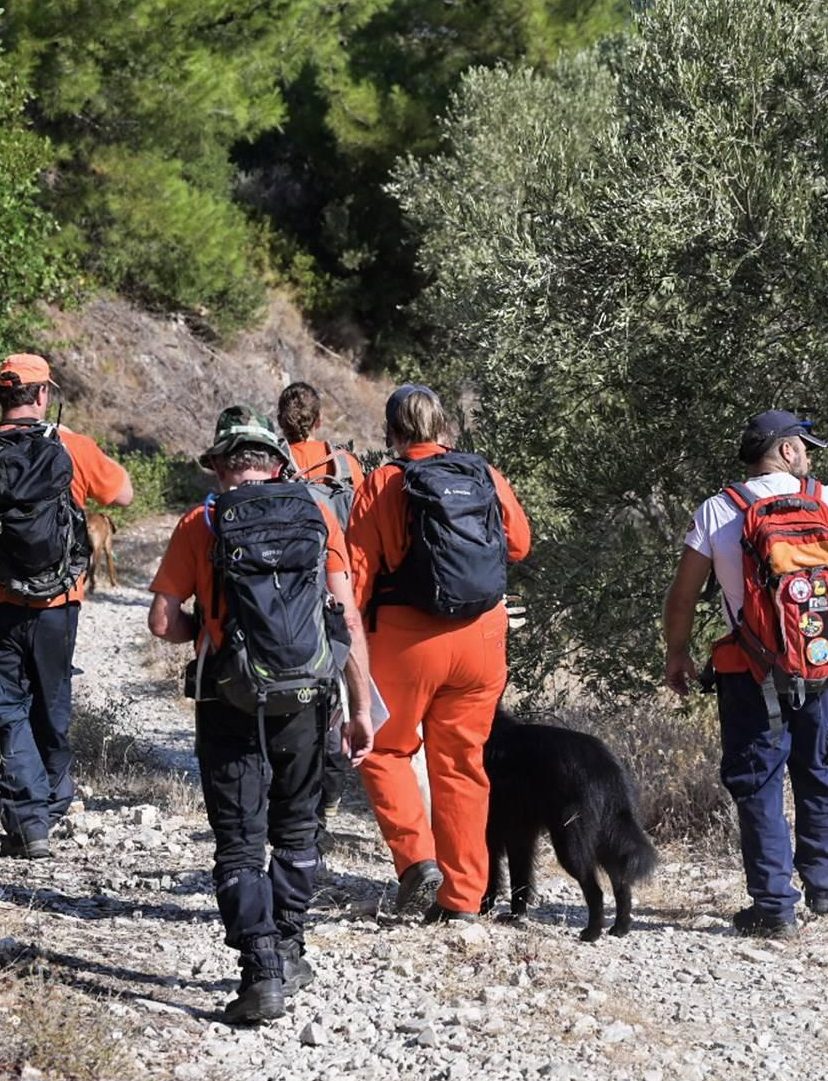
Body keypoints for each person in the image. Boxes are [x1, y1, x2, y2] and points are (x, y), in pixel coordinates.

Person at [148, 405, 372, 1025]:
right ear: (277, 465)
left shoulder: (201, 521)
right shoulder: (317, 513)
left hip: (230, 697)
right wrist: (359, 708)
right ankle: (291, 946)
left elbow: (162, 621)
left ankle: (261, 971)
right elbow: (347, 619)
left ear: (221, 466)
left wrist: (207, 633)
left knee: (240, 840)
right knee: (298, 830)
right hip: (308, 696)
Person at [346, 384, 531, 922]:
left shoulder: (383, 482)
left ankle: (417, 861)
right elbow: (519, 545)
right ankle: (463, 900)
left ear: (391, 433)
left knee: (384, 749)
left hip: (406, 641)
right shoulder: (484, 474)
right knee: (462, 766)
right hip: (481, 639)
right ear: (445, 426)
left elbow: (356, 578)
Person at [664, 409, 828, 938]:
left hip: (751, 670)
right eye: (805, 448)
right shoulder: (824, 500)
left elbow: (683, 595)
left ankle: (774, 907)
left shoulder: (719, 510)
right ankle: (824, 888)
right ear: (786, 450)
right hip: (821, 662)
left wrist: (677, 653)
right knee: (820, 771)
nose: (809, 458)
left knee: (758, 781)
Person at [0, 352, 133, 859]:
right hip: (59, 601)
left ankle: (28, 819)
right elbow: (123, 494)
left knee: (7, 709)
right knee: (52, 703)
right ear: (43, 395)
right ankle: (52, 801)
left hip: (2, 602)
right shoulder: (70, 446)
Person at [278, 381, 365, 838]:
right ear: (319, 420)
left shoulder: (274, 464)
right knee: (339, 700)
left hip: (289, 599)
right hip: (339, 590)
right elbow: (364, 530)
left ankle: (295, 794)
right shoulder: (345, 464)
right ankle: (328, 795)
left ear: (281, 422)